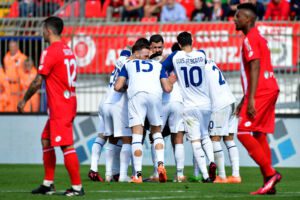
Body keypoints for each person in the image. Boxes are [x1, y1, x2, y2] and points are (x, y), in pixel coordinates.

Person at [17, 16, 84, 196]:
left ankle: (77, 187)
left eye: (42, 30)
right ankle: (48, 183)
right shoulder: (68, 50)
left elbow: (38, 81)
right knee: (46, 139)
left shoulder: (50, 51)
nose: (42, 33)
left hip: (61, 106)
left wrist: (24, 100)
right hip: (67, 102)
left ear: (48, 30)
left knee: (66, 145)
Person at [234, 3, 281, 195]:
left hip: (261, 91)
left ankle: (271, 174)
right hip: (269, 88)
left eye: (238, 17)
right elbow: (253, 70)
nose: (235, 19)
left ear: (248, 19)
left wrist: (251, 99)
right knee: (258, 134)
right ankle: (268, 183)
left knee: (243, 132)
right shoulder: (257, 37)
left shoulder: (250, 39)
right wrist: (244, 99)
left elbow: (255, 67)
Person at [114, 40, 173, 183]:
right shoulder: (158, 65)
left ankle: (138, 174)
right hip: (155, 96)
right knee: (157, 131)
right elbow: (167, 88)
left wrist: (127, 88)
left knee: (137, 133)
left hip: (137, 96)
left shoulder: (128, 63)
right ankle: (160, 165)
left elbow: (117, 86)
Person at [162, 31, 217, 183]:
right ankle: (212, 161)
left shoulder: (176, 56)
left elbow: (161, 67)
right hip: (206, 104)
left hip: (190, 106)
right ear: (192, 41)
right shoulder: (201, 54)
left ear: (179, 44)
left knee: (195, 141)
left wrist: (167, 79)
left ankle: (206, 175)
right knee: (205, 135)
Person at [148, 35, 186, 183]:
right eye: (155, 47)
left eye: (159, 47)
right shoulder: (173, 59)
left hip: (164, 102)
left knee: (156, 135)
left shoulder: (149, 63)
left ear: (163, 47)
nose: (157, 50)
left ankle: (158, 173)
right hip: (176, 101)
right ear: (150, 47)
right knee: (177, 137)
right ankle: (179, 174)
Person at [205, 59, 241, 184]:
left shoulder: (202, 69)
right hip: (231, 101)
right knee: (229, 139)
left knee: (214, 138)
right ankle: (236, 175)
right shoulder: (212, 64)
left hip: (219, 105)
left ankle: (221, 176)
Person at [102, 50, 132, 182]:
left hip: (107, 101)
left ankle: (108, 174)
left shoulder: (118, 61)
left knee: (112, 139)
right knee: (127, 139)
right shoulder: (129, 63)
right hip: (119, 103)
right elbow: (124, 85)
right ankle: (123, 175)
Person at [3, 40, 27, 112]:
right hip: (8, 87)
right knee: (8, 109)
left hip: (18, 86)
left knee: (18, 108)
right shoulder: (6, 57)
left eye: (13, 46)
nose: (11, 48)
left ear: (17, 47)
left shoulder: (23, 58)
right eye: (10, 47)